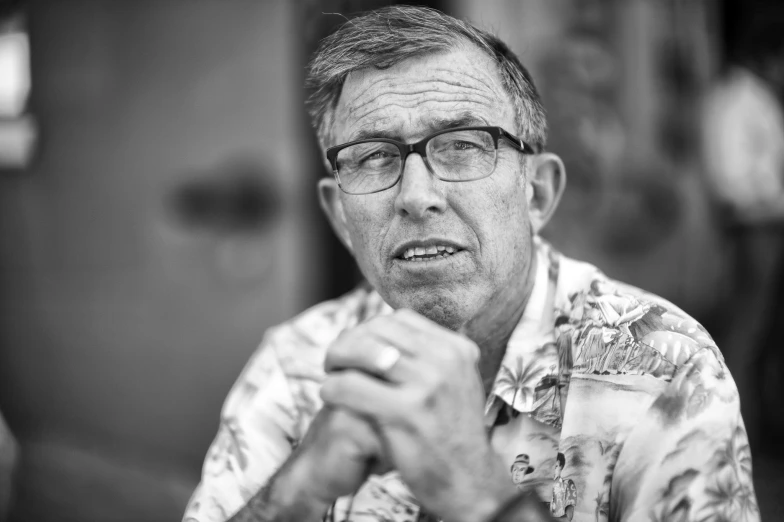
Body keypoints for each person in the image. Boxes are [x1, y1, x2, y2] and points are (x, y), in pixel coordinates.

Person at [182, 6, 759, 522]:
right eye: (374, 157)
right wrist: (297, 494)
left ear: (536, 194)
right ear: (338, 216)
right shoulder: (298, 365)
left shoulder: (662, 368)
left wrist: (480, 496)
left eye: (462, 144)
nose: (415, 195)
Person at [550, 453, 575, 521]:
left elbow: (568, 518)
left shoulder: (568, 485)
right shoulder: (542, 487)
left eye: (555, 466)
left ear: (561, 467)